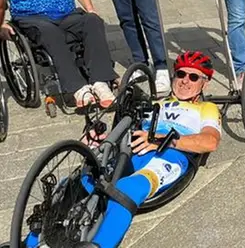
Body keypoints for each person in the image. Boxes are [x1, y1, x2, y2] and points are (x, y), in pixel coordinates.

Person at [22, 51, 221, 248]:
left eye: (193, 77)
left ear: (205, 82)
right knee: (79, 181)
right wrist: (101, 140)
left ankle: (101, 245)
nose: (185, 81)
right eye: (181, 74)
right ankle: (29, 243)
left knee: (127, 188)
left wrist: (164, 140)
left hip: (170, 155)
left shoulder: (207, 108)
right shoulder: (154, 104)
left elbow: (210, 141)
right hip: (133, 149)